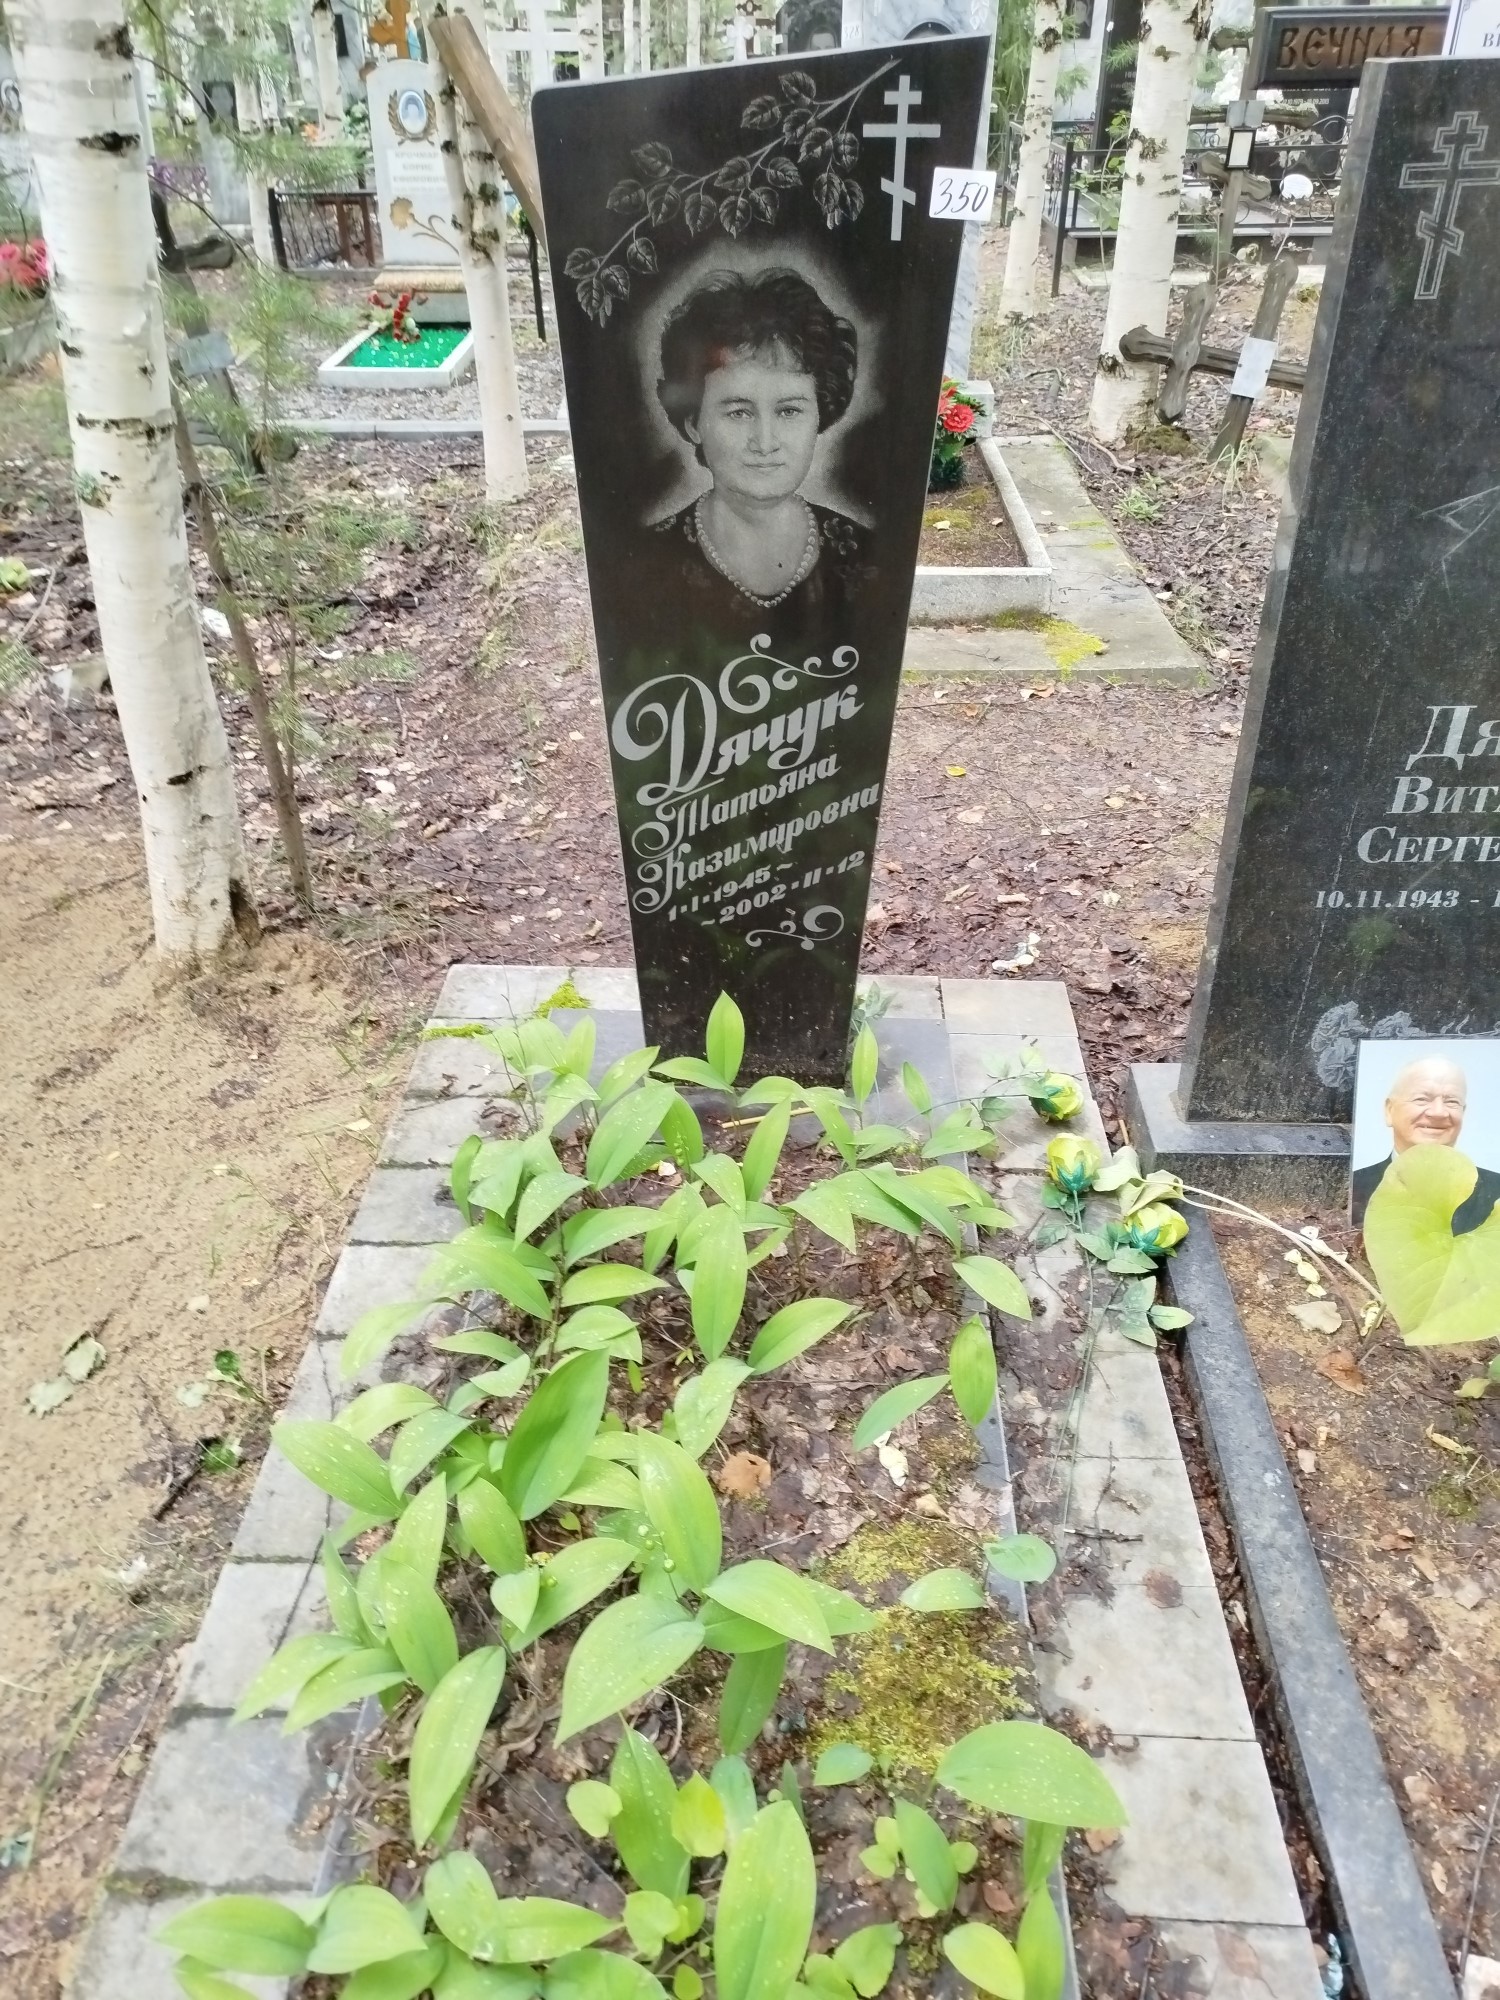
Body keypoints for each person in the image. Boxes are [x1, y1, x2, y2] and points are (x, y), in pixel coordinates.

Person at [646, 267, 871, 633]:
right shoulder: (645, 561)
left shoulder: (867, 555)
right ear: (693, 423)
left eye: (789, 411)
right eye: (739, 412)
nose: (765, 442)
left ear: (820, 412)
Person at [1351, 1055, 1500, 1233]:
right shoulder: (1350, 1188)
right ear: (1389, 1110)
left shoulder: (1496, 1191)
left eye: (1452, 1101)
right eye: (1421, 1099)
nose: (1438, 1112)